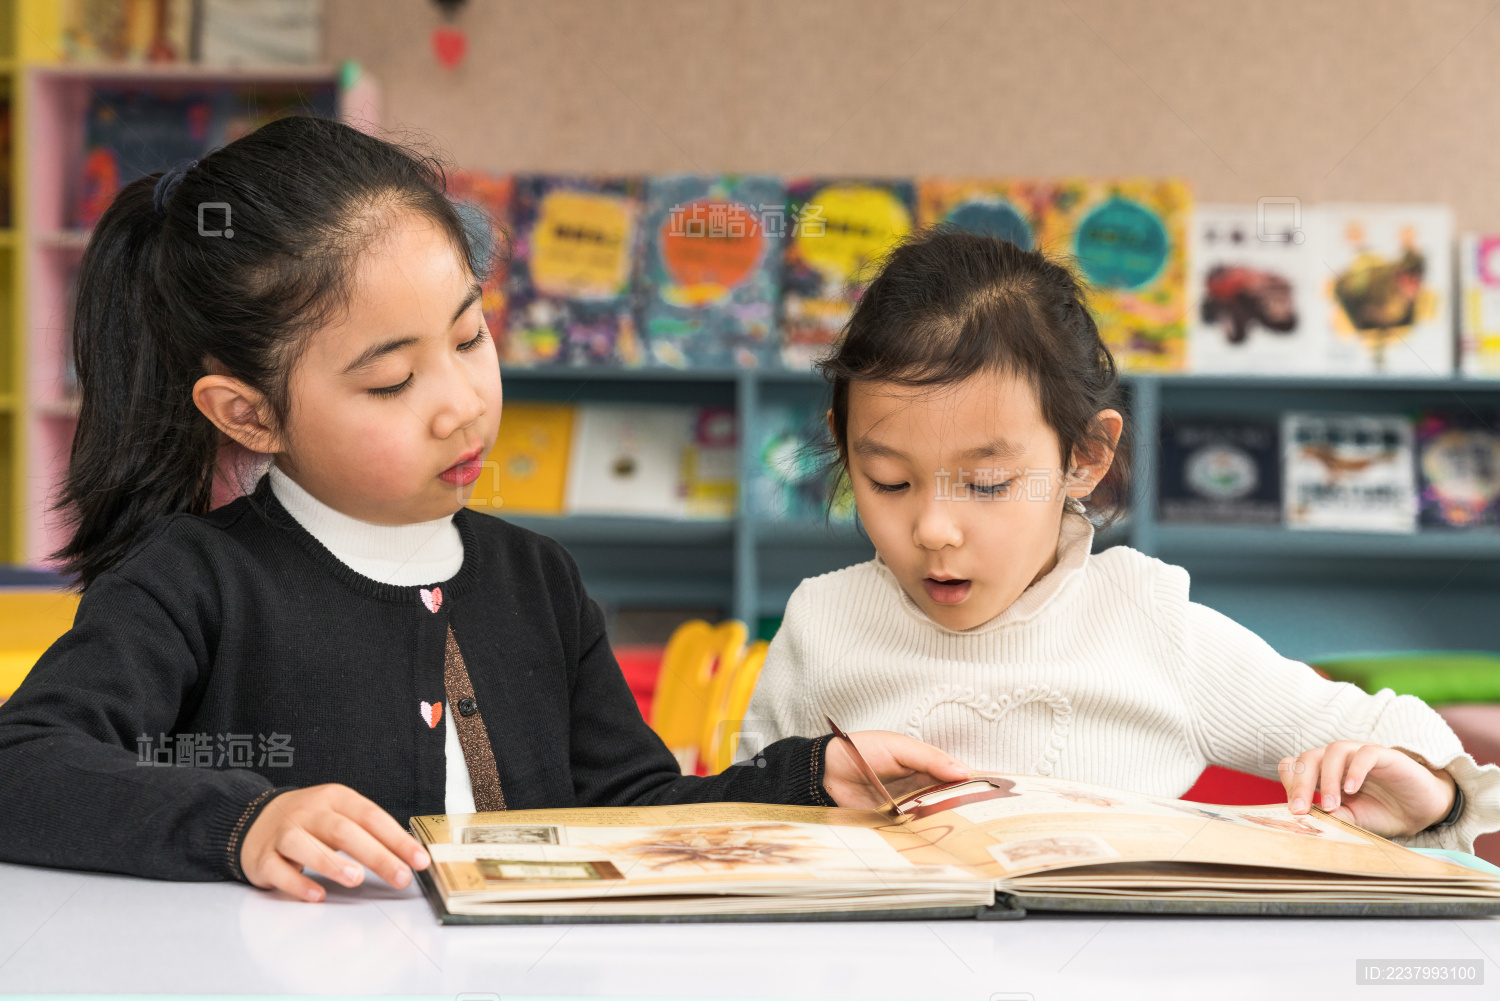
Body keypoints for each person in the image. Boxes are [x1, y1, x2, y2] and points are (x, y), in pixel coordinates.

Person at [0, 117, 968, 903]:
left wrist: (804, 780)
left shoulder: (533, 577)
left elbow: (628, 804)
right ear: (248, 413)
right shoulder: (194, 577)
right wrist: (244, 821)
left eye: (471, 336)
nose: (463, 400)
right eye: (391, 382)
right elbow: (23, 767)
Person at [746, 227, 1500, 853]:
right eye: (889, 481)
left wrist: (1424, 793)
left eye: (986, 485)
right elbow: (730, 820)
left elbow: (1398, 732)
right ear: (844, 447)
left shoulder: (1146, 619)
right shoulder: (821, 623)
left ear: (1084, 456)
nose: (934, 530)